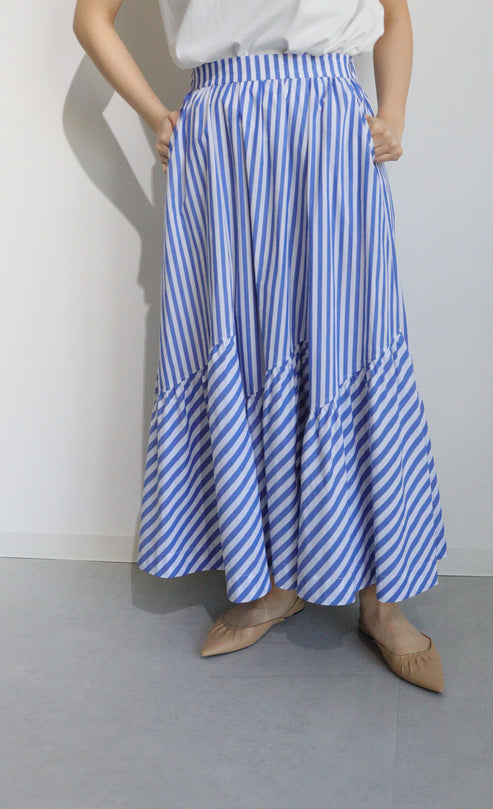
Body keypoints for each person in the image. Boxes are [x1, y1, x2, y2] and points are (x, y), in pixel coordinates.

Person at [73, 0, 448, 693]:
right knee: (244, 348)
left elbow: (393, 14)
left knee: (352, 341)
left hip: (329, 124)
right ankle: (272, 581)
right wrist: (157, 116)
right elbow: (91, 18)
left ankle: (381, 596)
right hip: (222, 136)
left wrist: (392, 113)